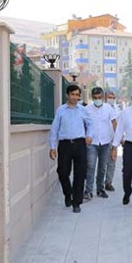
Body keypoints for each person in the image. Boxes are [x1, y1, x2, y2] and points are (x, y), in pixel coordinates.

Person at [49, 84, 92, 213]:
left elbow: (90, 124)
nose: (75, 97)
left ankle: (76, 202)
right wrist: (52, 146)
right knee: (62, 172)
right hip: (65, 144)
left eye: (77, 95)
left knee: (80, 173)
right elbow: (54, 128)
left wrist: (89, 135)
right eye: (72, 94)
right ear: (67, 95)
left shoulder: (83, 110)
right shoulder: (61, 110)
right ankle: (68, 194)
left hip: (80, 144)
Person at [84, 87, 117, 201]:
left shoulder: (108, 108)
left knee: (102, 167)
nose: (97, 100)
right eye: (95, 98)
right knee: (91, 166)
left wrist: (116, 140)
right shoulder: (87, 109)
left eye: (99, 97)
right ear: (92, 98)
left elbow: (114, 122)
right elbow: (83, 124)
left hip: (105, 142)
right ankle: (88, 191)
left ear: (103, 97)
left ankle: (100, 189)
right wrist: (85, 136)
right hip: (92, 143)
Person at [104, 91, 122, 192]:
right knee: (102, 162)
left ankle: (108, 182)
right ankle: (99, 182)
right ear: (105, 98)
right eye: (109, 97)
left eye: (113, 97)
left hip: (113, 139)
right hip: (102, 139)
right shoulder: (101, 108)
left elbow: (120, 124)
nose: (111, 99)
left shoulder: (117, 109)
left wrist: (120, 138)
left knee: (112, 161)